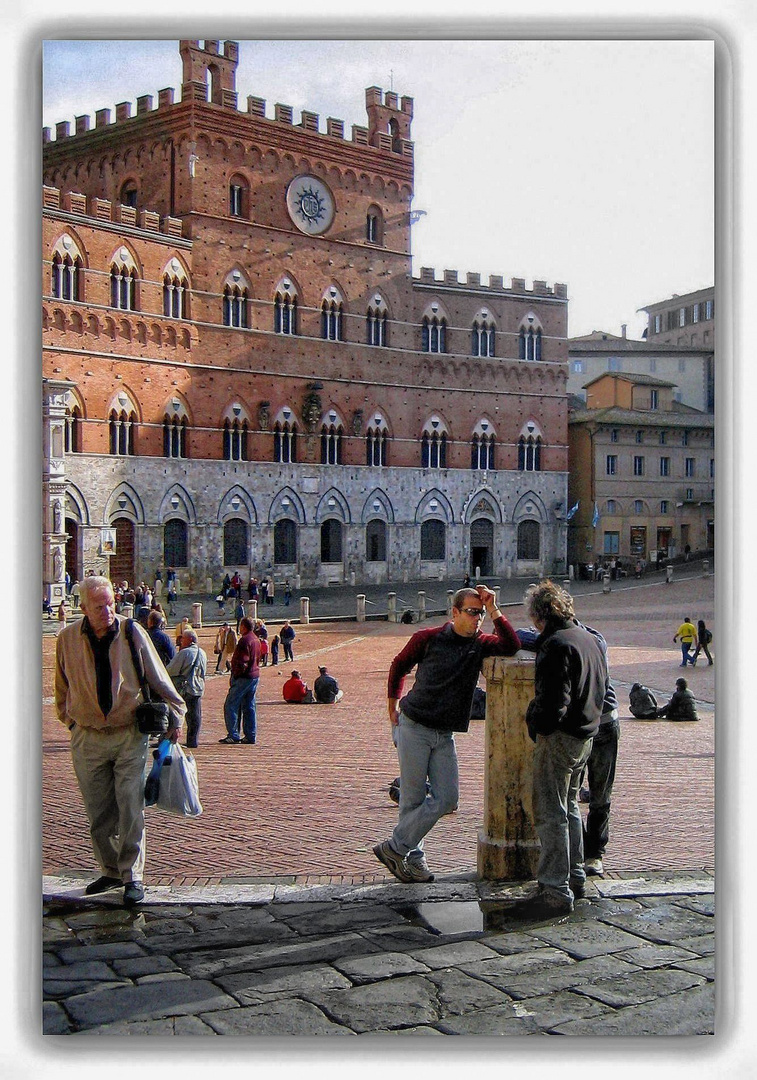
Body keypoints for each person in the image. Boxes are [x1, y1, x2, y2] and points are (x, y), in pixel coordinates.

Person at [373, 585, 520, 884]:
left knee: (448, 798)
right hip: (414, 725)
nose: (477, 619)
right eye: (472, 612)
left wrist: (494, 608)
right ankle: (414, 861)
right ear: (454, 612)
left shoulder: (481, 643)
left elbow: (512, 644)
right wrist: (392, 708)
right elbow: (399, 665)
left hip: (444, 734)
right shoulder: (427, 638)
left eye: (480, 613)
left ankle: (394, 847)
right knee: (412, 800)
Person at [54, 575, 186, 906]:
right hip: (87, 737)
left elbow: (158, 675)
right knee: (98, 811)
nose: (108, 611)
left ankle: (132, 875)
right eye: (99, 606)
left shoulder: (131, 631)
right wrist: (70, 722)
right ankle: (110, 869)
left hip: (129, 733)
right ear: (82, 607)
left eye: (111, 603)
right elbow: (60, 686)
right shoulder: (67, 638)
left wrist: (177, 713)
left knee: (130, 805)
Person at [518, 580, 607, 917]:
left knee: (550, 811)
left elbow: (553, 702)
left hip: (561, 737)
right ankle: (576, 877)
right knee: (568, 807)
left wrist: (537, 723)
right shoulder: (588, 639)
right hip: (586, 735)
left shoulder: (555, 644)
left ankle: (555, 889)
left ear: (539, 615)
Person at [219, 616, 261, 744]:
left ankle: (233, 734)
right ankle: (250, 735)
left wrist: (236, 674)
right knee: (249, 706)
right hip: (254, 675)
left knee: (231, 704)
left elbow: (242, 661)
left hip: (243, 677)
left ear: (243, 626)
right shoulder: (256, 639)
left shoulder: (244, 640)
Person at [166, 628, 207, 748]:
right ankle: (192, 740)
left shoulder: (185, 653)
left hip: (185, 687)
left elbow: (171, 670)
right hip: (198, 687)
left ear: (189, 640)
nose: (181, 640)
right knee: (195, 715)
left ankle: (170, 738)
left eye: (183, 638)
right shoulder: (202, 653)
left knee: (177, 712)